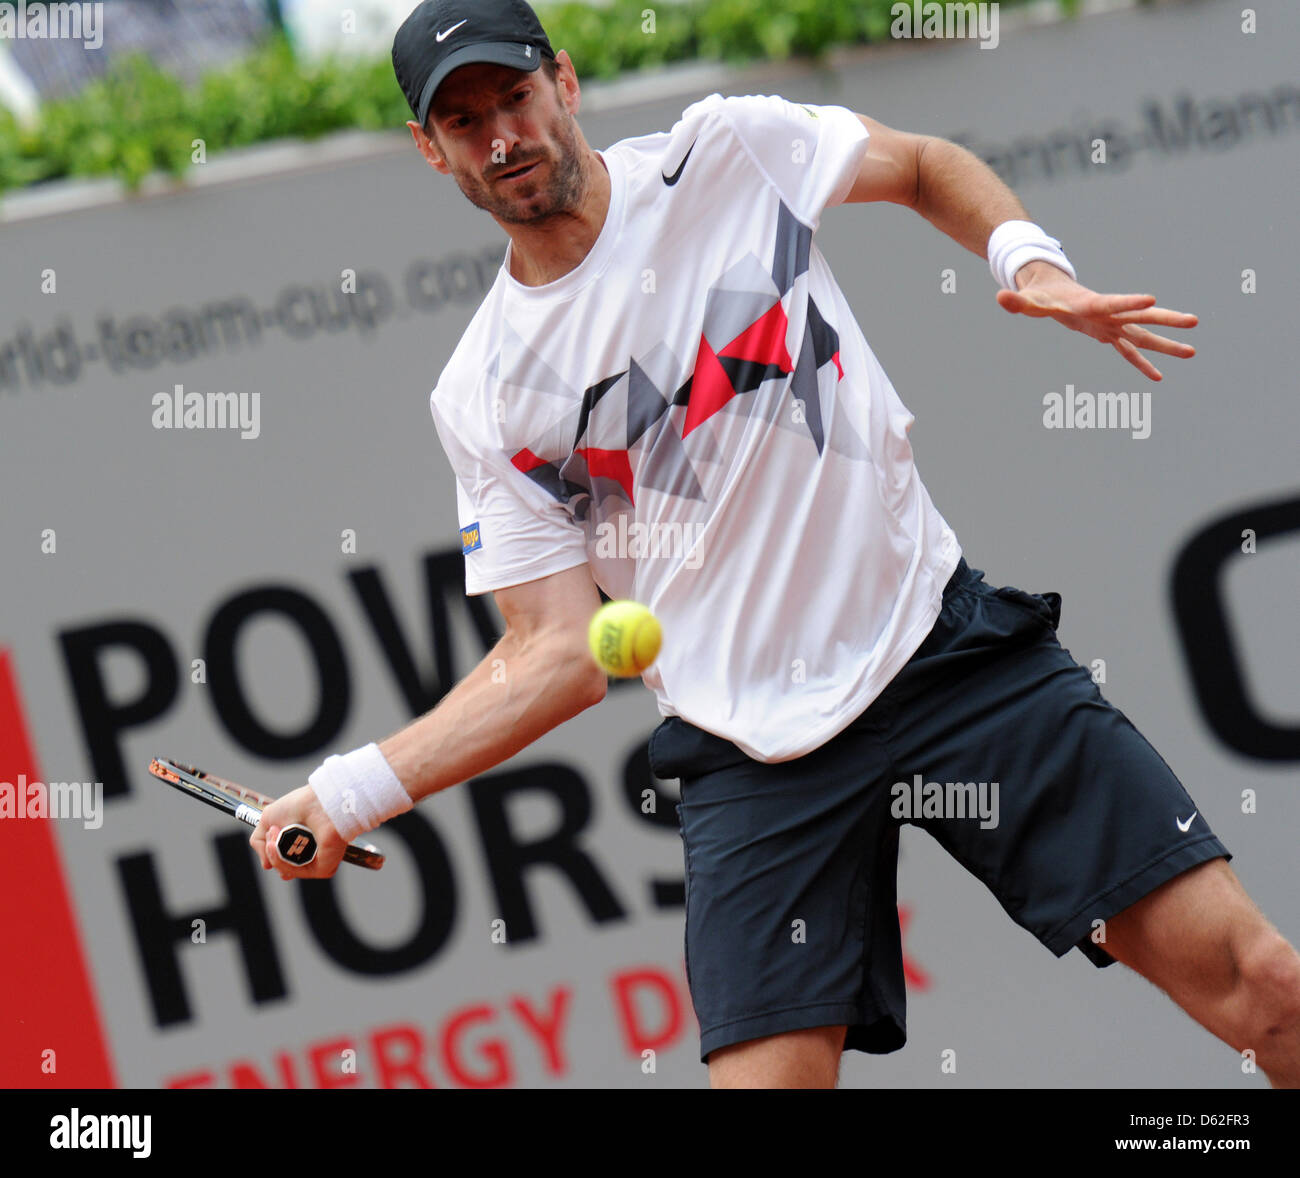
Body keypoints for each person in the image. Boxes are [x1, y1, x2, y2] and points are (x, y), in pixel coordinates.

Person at [252, 0, 1300, 1088]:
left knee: (1263, 987)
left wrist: (1025, 258)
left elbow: (922, 164)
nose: (502, 136)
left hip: (941, 650)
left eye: (511, 97)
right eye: (464, 123)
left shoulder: (727, 151)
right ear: (433, 151)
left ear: (562, 82)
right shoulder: (482, 396)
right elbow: (552, 654)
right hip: (750, 753)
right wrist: (347, 791)